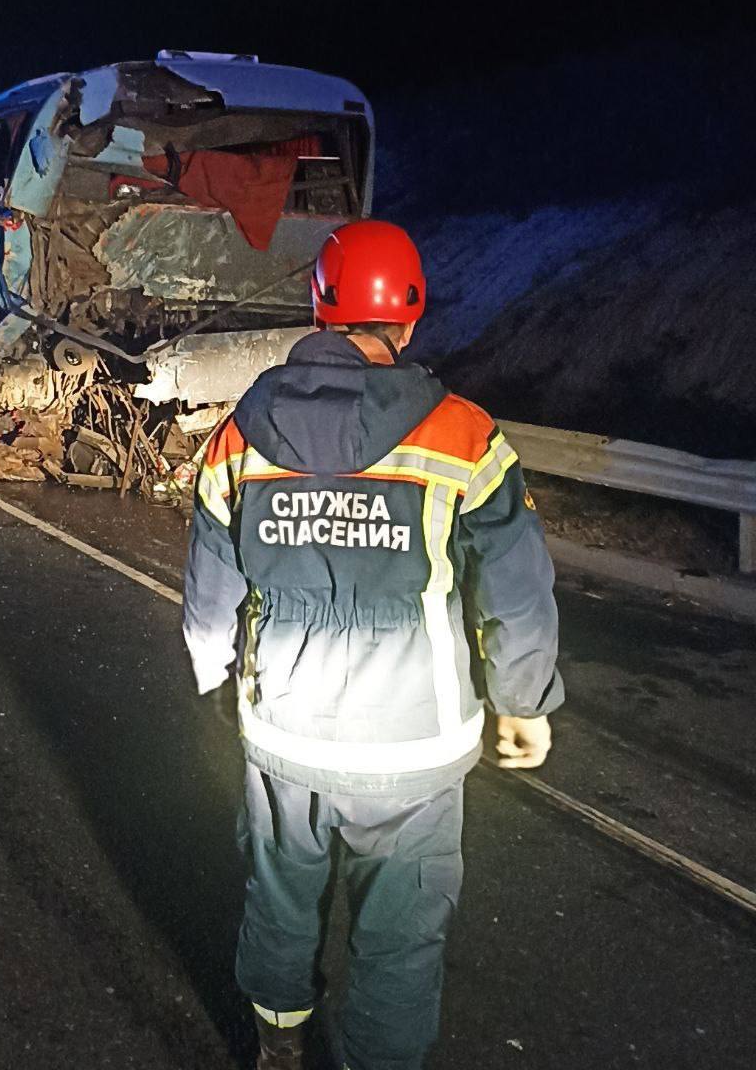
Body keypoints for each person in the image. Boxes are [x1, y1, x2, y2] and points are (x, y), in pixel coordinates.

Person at [182, 220, 563, 1070]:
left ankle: (278, 1046)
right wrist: (523, 705)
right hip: (416, 748)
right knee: (400, 942)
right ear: (412, 319)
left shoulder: (239, 437)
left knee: (280, 901)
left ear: (316, 308)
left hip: (286, 735)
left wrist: (214, 676)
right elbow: (517, 591)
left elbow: (210, 591)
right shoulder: (463, 436)